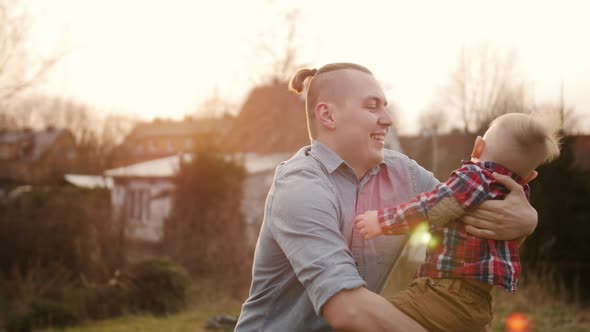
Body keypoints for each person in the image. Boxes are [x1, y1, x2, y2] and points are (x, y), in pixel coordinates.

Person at [234, 63, 538, 332]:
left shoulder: (403, 172)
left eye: (385, 106)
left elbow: (461, 212)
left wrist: (527, 220)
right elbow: (346, 308)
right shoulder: (300, 187)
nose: (387, 119)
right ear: (327, 115)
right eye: (372, 107)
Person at [355, 113, 560, 331]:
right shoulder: (515, 198)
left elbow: (431, 207)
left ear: (478, 147)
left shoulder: (475, 176)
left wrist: (381, 221)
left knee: (374, 319)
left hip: (443, 295)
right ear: (530, 177)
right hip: (479, 305)